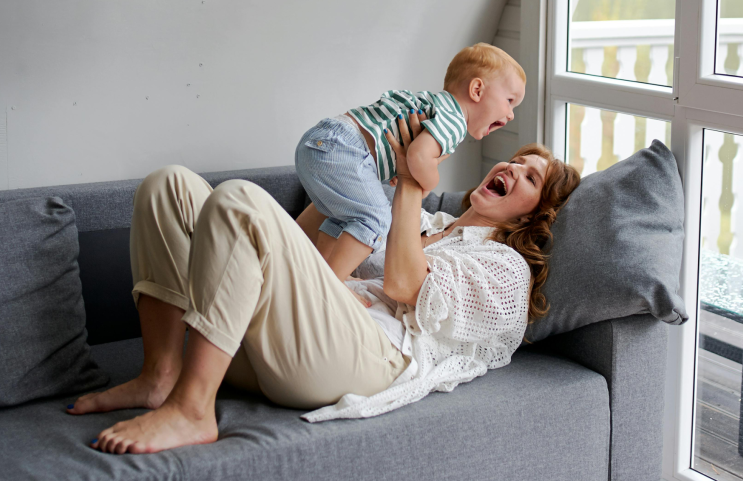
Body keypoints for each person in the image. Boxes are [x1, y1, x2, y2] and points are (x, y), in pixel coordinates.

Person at [66, 113, 579, 455]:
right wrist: (355, 163)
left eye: (531, 177)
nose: (512, 167)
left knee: (241, 200)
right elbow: (306, 255)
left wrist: (407, 183)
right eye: (516, 160)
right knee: (168, 185)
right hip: (295, 339)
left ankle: (193, 410)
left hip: (367, 361)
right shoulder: (421, 223)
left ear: (537, 215)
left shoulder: (503, 266)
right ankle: (161, 376)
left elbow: (404, 286)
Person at [294, 43, 527, 291]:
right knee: (375, 219)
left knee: (347, 217)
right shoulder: (454, 121)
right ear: (477, 90)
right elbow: (417, 156)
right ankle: (330, 288)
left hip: (328, 139)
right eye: (510, 101)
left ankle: (326, 273)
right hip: (346, 149)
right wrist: (429, 182)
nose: (511, 114)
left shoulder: (435, 104)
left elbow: (402, 149)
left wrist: (392, 168)